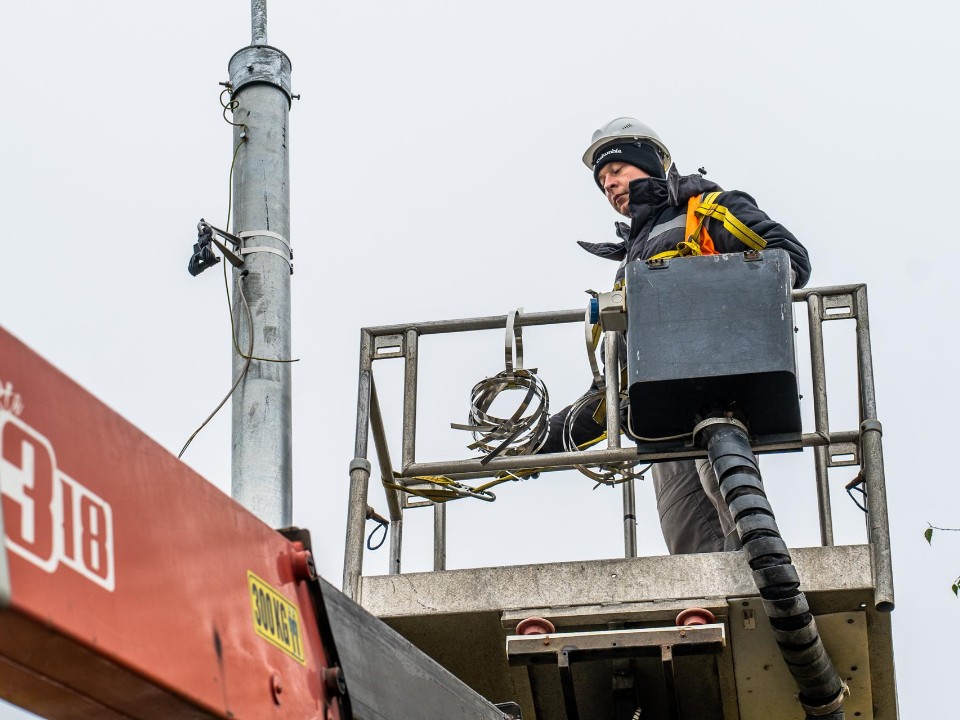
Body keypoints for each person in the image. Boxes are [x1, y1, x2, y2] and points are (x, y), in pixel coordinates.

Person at [538, 117, 811, 555]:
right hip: (659, 419)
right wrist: (539, 443)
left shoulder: (705, 211)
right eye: (602, 181)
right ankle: (712, 618)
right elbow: (614, 387)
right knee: (686, 538)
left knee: (735, 509)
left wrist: (702, 304)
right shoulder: (629, 266)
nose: (610, 185)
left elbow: (789, 262)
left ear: (650, 164)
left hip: (717, 400)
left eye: (617, 171)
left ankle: (767, 591)